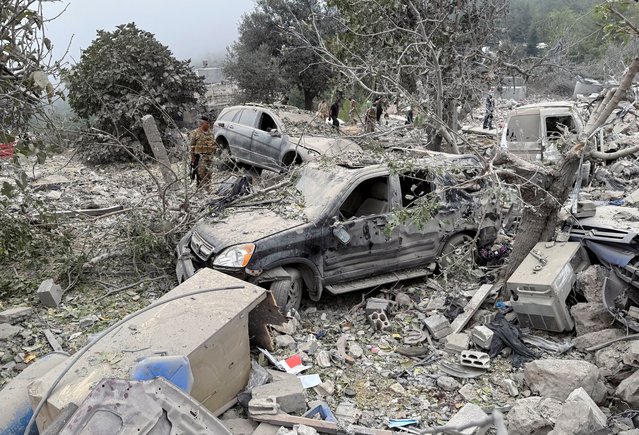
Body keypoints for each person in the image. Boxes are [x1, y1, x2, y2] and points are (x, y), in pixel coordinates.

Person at [190, 115, 217, 187]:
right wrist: (193, 158)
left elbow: (214, 144)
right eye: (207, 123)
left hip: (209, 157)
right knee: (200, 174)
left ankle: (208, 188)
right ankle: (200, 189)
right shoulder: (195, 133)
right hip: (200, 157)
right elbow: (192, 146)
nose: (209, 125)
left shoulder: (211, 133)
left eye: (209, 123)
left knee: (209, 174)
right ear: (202, 124)